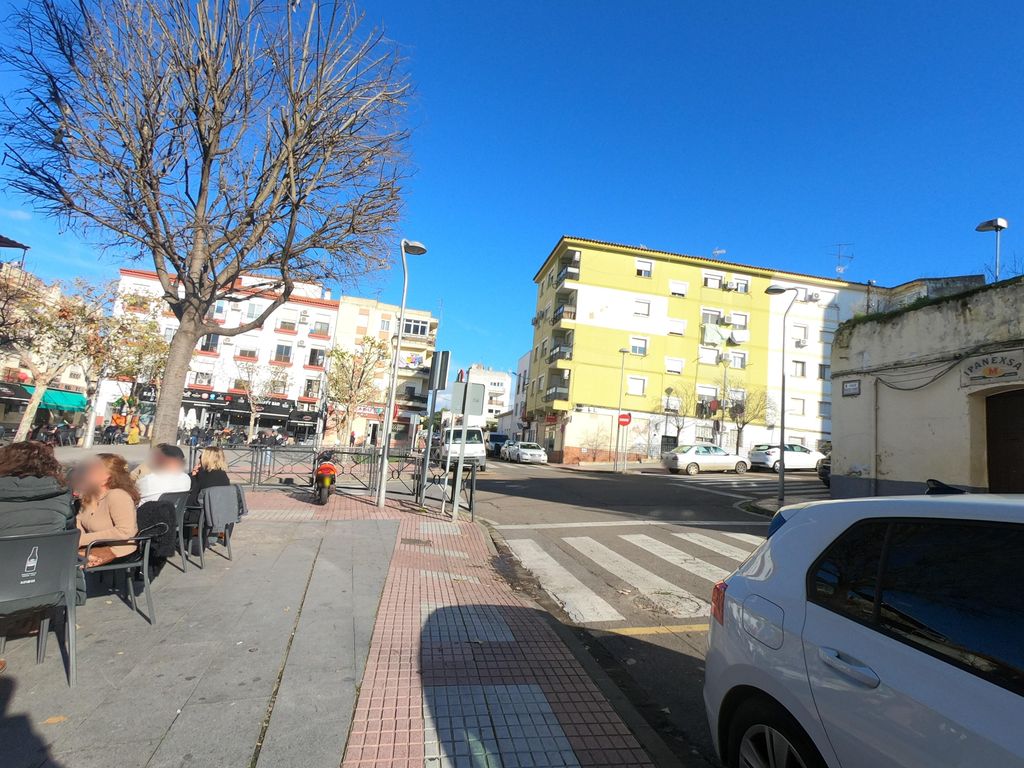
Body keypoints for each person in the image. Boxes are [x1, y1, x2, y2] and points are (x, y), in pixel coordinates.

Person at [76, 453, 140, 567]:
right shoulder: (90, 496)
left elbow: (125, 532)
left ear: (108, 477)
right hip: (94, 546)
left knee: (67, 563)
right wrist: (76, 541)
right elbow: (79, 521)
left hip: (118, 551)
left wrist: (83, 540)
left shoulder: (118, 495)